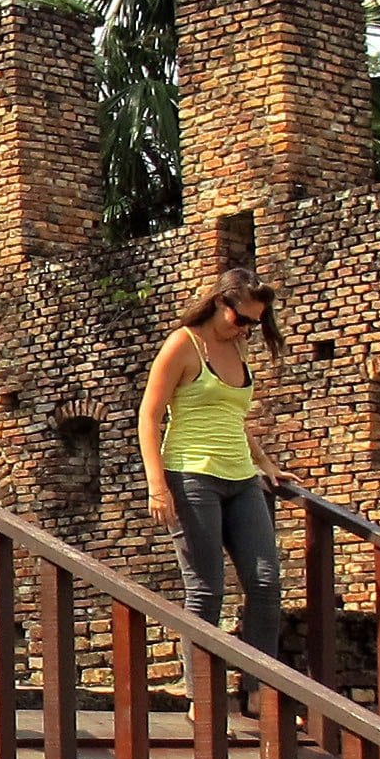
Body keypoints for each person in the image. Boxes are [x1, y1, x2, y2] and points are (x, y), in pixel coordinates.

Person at [138, 267, 286, 660]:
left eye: (254, 325)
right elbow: (149, 416)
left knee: (266, 583)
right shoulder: (182, 345)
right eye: (242, 320)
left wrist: (266, 464)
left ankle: (260, 693)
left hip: (240, 478)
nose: (245, 330)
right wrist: (157, 486)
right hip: (191, 476)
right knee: (206, 589)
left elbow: (231, 416)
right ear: (222, 302)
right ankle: (200, 699)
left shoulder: (238, 349)